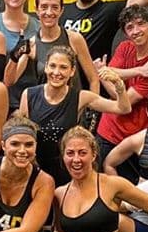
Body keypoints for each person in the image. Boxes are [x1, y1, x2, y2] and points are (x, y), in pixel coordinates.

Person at [19, 47, 130, 185]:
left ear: (72, 71)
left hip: (67, 171)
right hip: (35, 170)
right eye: (52, 66)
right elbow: (21, 134)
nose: (56, 72)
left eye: (63, 67)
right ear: (46, 67)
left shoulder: (81, 97)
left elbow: (123, 108)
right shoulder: (28, 95)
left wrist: (118, 83)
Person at [96, 5, 148, 176]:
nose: (136, 31)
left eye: (140, 24)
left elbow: (123, 100)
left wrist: (104, 74)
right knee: (106, 189)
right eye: (130, 27)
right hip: (107, 131)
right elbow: (115, 87)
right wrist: (138, 71)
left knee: (132, 193)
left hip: (133, 138)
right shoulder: (125, 47)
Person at [4, 0, 99, 107]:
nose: (49, 12)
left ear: (61, 10)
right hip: (43, 113)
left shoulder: (74, 39)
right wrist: (15, 55)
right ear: (36, 10)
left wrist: (91, 111)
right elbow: (9, 81)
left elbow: (93, 79)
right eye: (44, 7)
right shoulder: (31, 44)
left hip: (74, 113)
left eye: (54, 7)